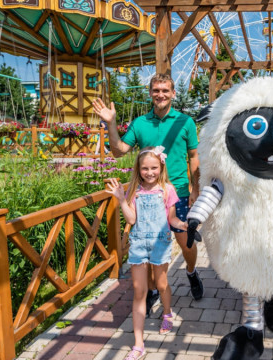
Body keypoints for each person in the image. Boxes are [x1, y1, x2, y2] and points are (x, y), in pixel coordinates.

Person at [92, 73, 204, 309]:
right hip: (148, 194)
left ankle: (192, 272)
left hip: (179, 192)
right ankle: (153, 287)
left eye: (165, 90)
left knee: (186, 244)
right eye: (156, 90)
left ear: (173, 93)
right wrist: (111, 124)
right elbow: (119, 151)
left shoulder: (185, 122)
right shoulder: (140, 123)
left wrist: (196, 188)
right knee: (152, 243)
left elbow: (194, 156)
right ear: (150, 93)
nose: (160, 94)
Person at [106, 147, 187, 360]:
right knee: (138, 290)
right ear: (138, 169)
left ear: (161, 167)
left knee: (161, 284)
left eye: (153, 168)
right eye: (145, 168)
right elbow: (131, 220)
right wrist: (121, 199)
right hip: (139, 244)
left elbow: (172, 219)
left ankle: (167, 312)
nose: (149, 172)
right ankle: (139, 345)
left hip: (160, 244)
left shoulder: (167, 190)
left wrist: (184, 224)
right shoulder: (134, 191)